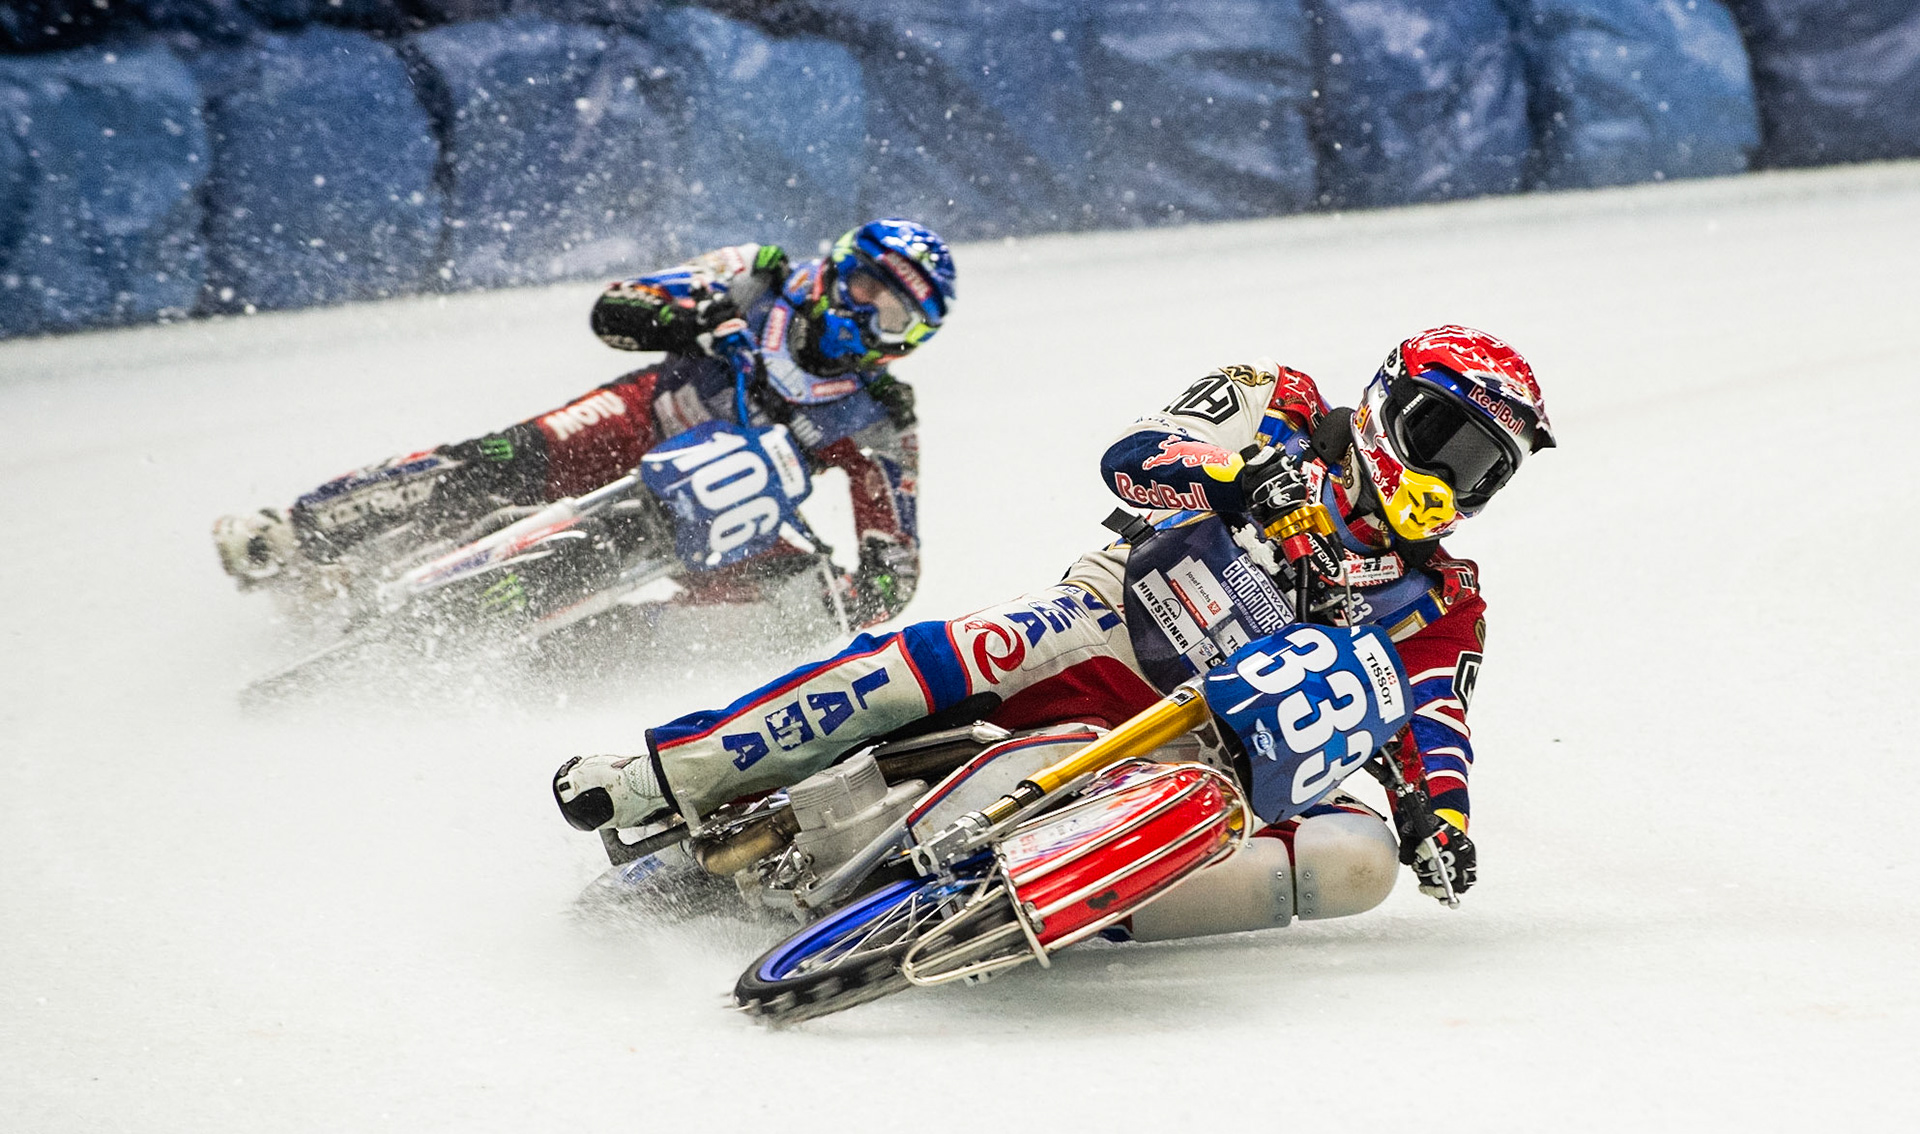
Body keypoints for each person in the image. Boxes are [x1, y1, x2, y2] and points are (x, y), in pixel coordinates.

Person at [554, 325, 1553, 935]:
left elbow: (1432, 717)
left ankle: (1054, 914)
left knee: (1356, 860)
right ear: (1386, 404)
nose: (1448, 479)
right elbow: (1135, 456)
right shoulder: (1278, 401)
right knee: (950, 654)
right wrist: (1234, 477)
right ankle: (664, 771)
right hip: (1112, 619)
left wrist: (1444, 819)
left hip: (1221, 741)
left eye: (1480, 470)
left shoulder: (1444, 598)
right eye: (1440, 439)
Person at [212, 219, 956, 629]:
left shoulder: (882, 416)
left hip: (729, 518)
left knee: (791, 616)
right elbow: (618, 308)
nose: (869, 314)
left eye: (894, 314)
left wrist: (845, 600)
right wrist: (698, 316)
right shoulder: (758, 272)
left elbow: (896, 567)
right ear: (839, 268)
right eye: (868, 287)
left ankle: (584, 661)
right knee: (497, 459)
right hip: (638, 419)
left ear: (912, 338)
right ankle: (296, 533)